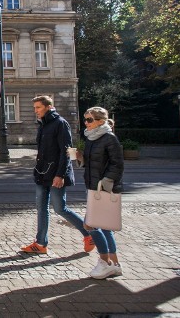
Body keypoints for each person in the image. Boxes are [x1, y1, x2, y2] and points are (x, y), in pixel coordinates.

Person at [21, 95, 94, 254]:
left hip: (56, 174)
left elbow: (66, 152)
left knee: (60, 208)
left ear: (48, 107)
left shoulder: (60, 123)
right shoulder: (43, 124)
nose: (36, 111)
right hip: (42, 173)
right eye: (34, 108)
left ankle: (89, 234)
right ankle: (40, 244)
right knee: (41, 209)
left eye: (38, 108)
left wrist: (60, 175)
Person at [77, 106, 124, 279]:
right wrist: (80, 158)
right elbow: (92, 163)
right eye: (85, 119)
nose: (86, 123)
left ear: (101, 121)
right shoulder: (91, 138)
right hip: (92, 186)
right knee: (103, 227)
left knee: (90, 224)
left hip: (104, 188)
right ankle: (115, 264)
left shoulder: (109, 138)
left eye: (89, 120)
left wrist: (106, 182)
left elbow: (117, 164)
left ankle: (105, 262)